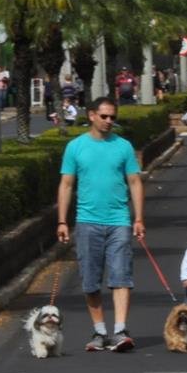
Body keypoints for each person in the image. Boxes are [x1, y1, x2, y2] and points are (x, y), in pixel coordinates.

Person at [57, 97, 145, 352]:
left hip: (119, 220)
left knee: (121, 277)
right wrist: (62, 221)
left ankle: (119, 330)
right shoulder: (75, 147)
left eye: (112, 117)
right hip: (87, 222)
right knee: (91, 281)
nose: (109, 121)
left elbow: (135, 182)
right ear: (92, 115)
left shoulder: (124, 147)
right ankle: (99, 332)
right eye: (104, 116)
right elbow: (66, 184)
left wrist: (138, 217)